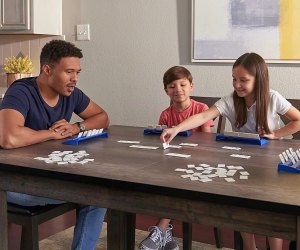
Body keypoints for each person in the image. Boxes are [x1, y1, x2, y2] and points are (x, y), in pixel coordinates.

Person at [160, 53, 300, 250]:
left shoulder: (273, 97)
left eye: (244, 80)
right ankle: (250, 247)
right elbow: (204, 116)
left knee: (270, 212)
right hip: (244, 160)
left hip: (271, 162)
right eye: (234, 79)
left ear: (259, 79)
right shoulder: (230, 100)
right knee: (242, 205)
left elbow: (298, 120)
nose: (237, 85)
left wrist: (276, 134)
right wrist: (176, 128)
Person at [0, 40, 109, 250]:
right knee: (96, 196)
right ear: (47, 69)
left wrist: (78, 126)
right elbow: (9, 137)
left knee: (99, 194)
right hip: (12, 184)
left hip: (46, 175)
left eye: (77, 72)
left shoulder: (71, 93)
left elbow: (102, 117)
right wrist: (51, 133)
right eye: (69, 72)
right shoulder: (21, 91)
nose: (75, 79)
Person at [139, 66, 214, 250]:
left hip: (197, 163)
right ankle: (165, 236)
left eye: (182, 84)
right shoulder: (166, 113)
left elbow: (207, 141)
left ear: (191, 86)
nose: (178, 89)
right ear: (166, 90)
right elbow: (163, 142)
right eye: (172, 86)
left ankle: (160, 230)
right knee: (159, 178)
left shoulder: (201, 108)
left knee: (174, 183)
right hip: (174, 162)